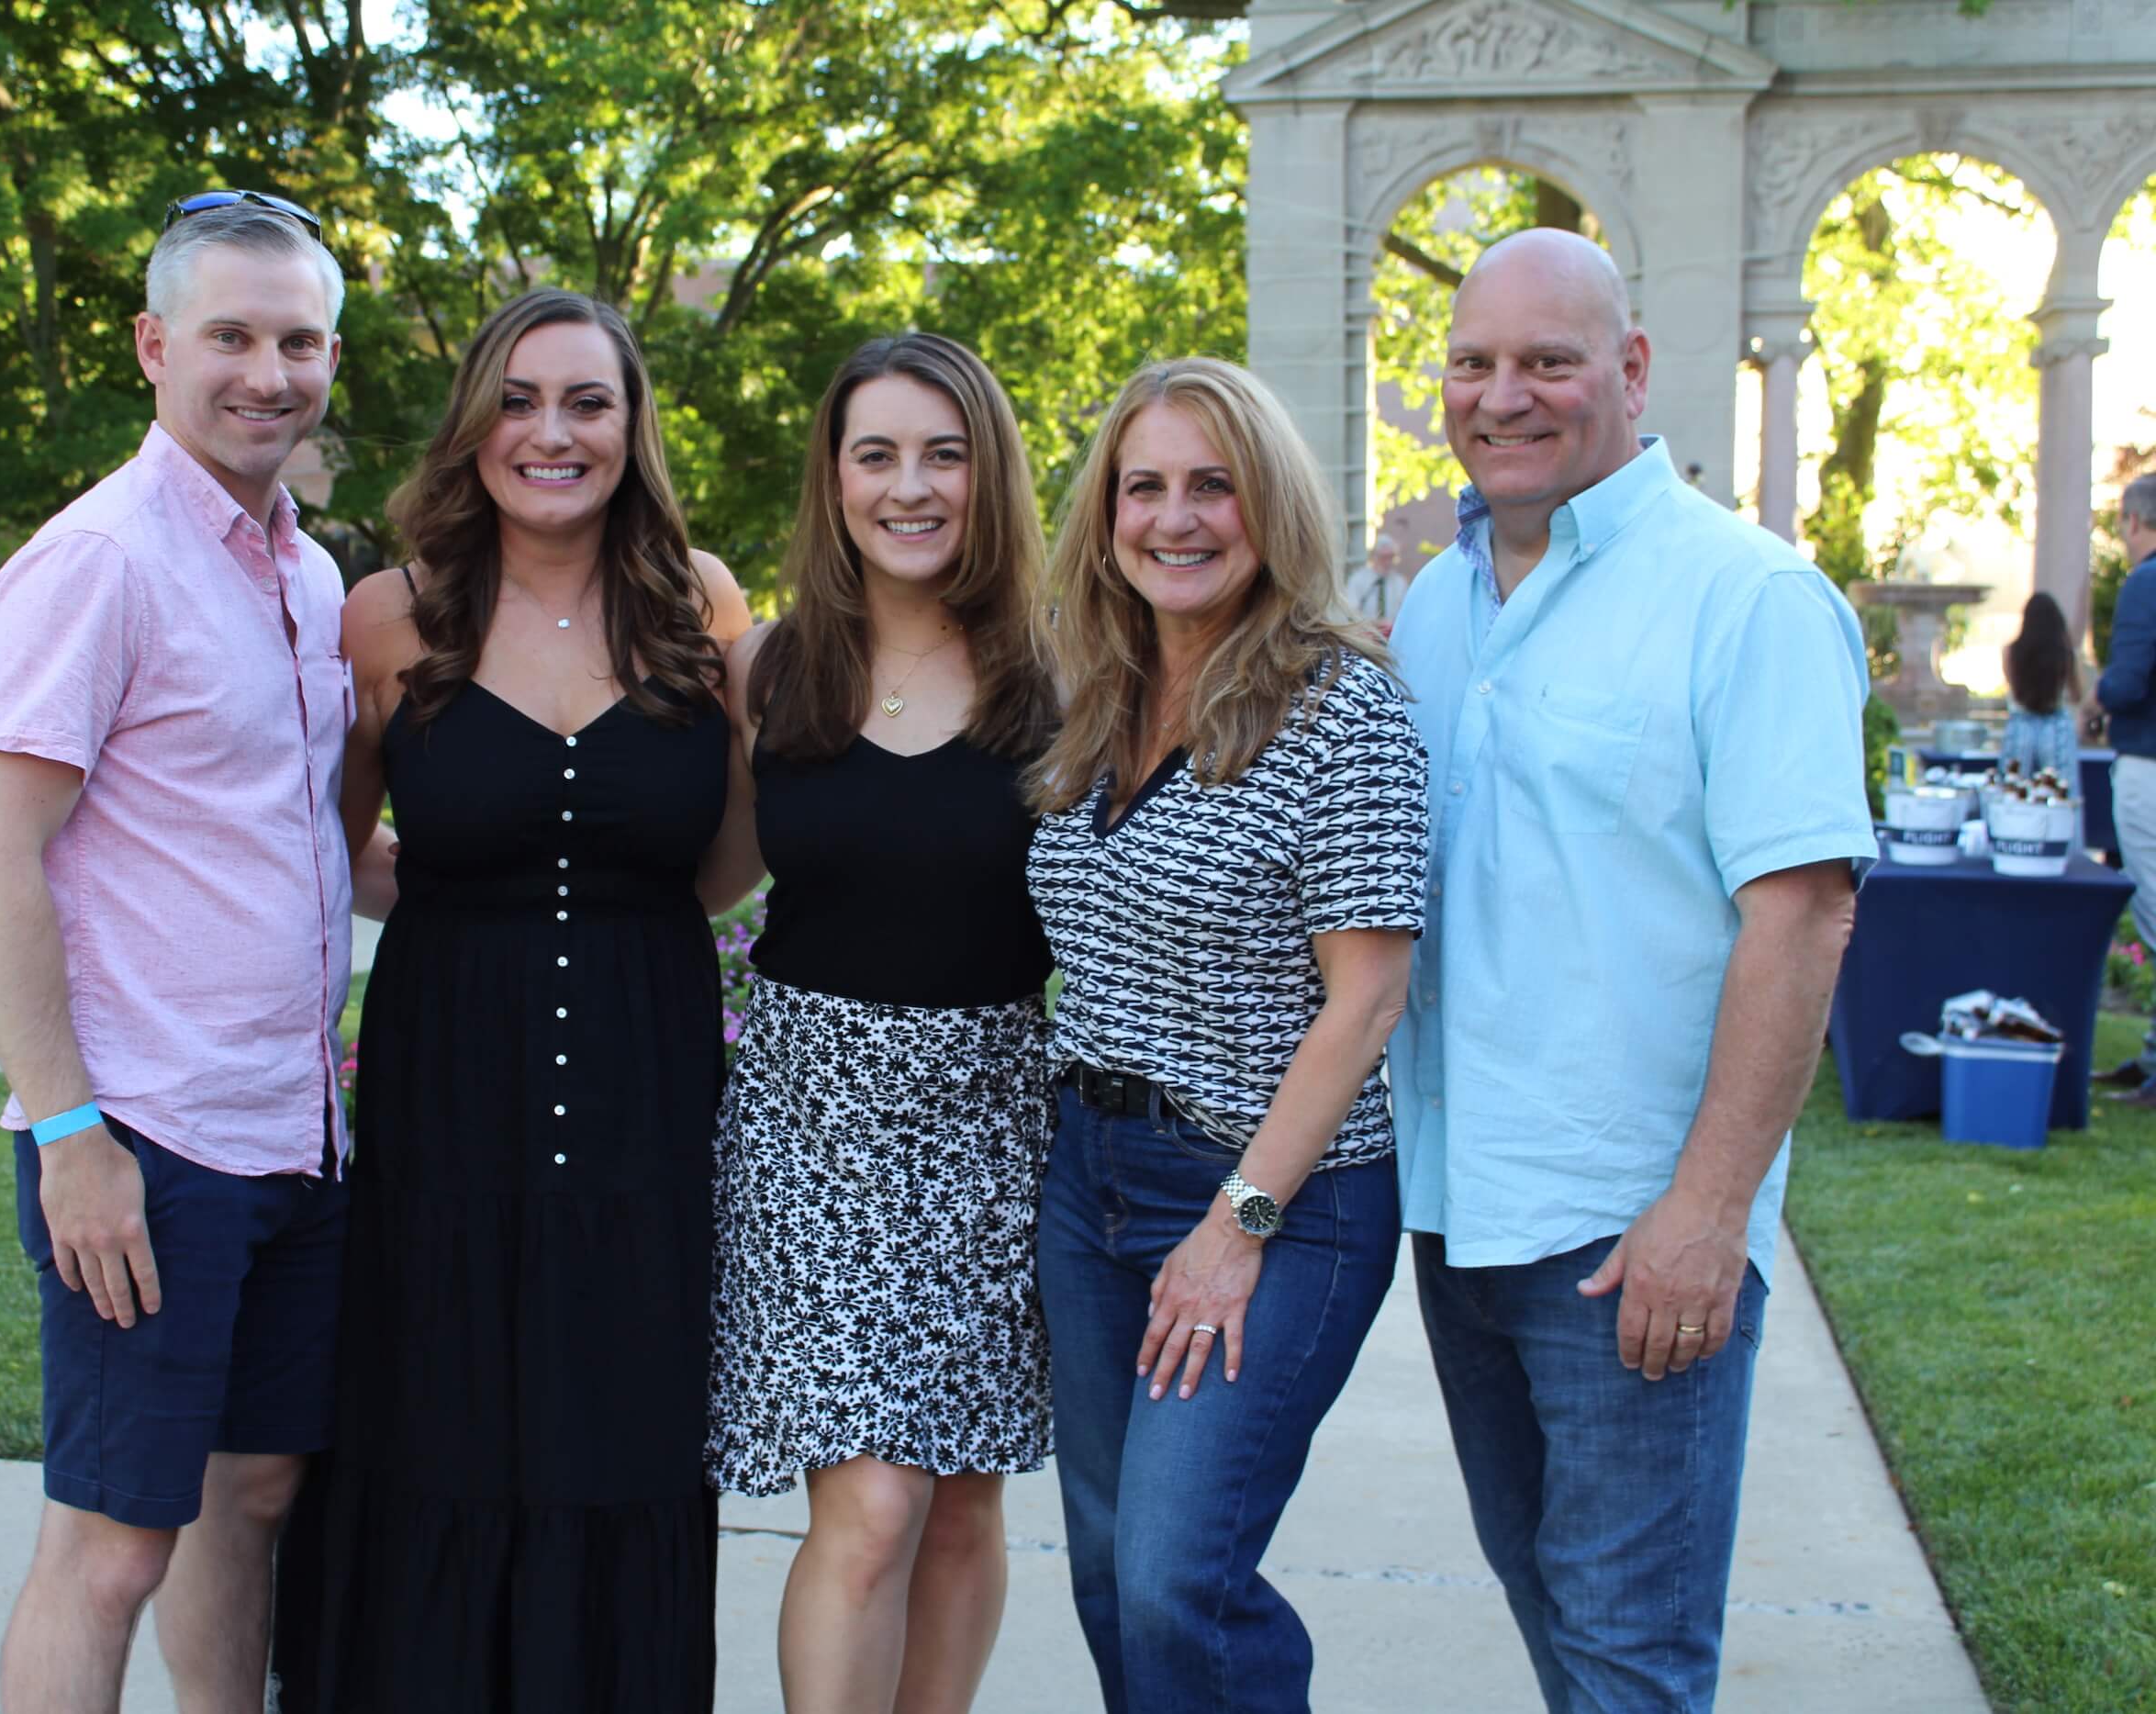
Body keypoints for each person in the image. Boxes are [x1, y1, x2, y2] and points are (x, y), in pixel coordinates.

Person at [1385, 229, 1873, 1712]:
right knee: (1559, 1622)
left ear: (1633, 369)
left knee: (1629, 1661)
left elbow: (1803, 919)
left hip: (1631, 1243)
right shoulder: (1437, 607)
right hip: (1457, 1217)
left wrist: (1710, 1207)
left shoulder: (1749, 600)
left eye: (1548, 360)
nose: (1505, 395)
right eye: (1475, 362)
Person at [272, 287, 750, 1713]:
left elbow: (726, 855)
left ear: (631, 425)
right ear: (476, 420)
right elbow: (321, 844)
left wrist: (590, 898)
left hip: (646, 1091)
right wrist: (464, 898)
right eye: (521, 398)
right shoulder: (388, 617)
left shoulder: (699, 604)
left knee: (622, 1425)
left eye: (587, 401)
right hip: (443, 1089)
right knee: (438, 1420)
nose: (553, 431)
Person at [0, 188, 365, 1714]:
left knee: (249, 1493)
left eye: (300, 339)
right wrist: (70, 1132)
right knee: (113, 1540)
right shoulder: (100, 560)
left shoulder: (305, 575)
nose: (270, 371)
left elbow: (293, 836)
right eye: (233, 336)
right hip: (142, 1134)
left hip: (291, 1135)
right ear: (152, 346)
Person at [1024, 356, 1428, 1709]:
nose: (1176, 517)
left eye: (1214, 485)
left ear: (1270, 507)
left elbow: (1367, 994)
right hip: (1088, 1178)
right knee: (1102, 1567)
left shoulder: (1343, 706)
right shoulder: (1096, 697)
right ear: (1108, 513)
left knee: (1175, 1575)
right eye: (1146, 486)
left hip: (1276, 1194)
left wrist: (1235, 1220)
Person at [702, 333, 1063, 1713]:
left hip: (992, 1122)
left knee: (964, 1505)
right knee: (869, 1506)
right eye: (876, 454)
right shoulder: (773, 671)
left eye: (944, 452)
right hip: (814, 1126)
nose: (910, 486)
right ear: (835, 479)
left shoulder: (1065, 676)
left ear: (990, 472)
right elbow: (704, 878)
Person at [2089, 472, 2156, 1099]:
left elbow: (2127, 684)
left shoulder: (2145, 582)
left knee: (2155, 914)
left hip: (2149, 763)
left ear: (2134, 522)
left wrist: (2095, 691)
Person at [2000, 592, 2083, 783]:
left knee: (2015, 791)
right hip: (2056, 726)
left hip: (2021, 725)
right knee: (2061, 791)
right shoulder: (2066, 653)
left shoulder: (2011, 651)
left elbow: (2013, 687)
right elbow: (2077, 694)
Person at [1341, 533, 1411, 634]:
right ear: (1374, 557)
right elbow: (1350, 613)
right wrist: (1374, 623)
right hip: (1365, 636)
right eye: (1384, 557)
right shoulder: (1358, 580)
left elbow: (1406, 613)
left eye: (1391, 557)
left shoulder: (1399, 583)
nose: (1387, 562)